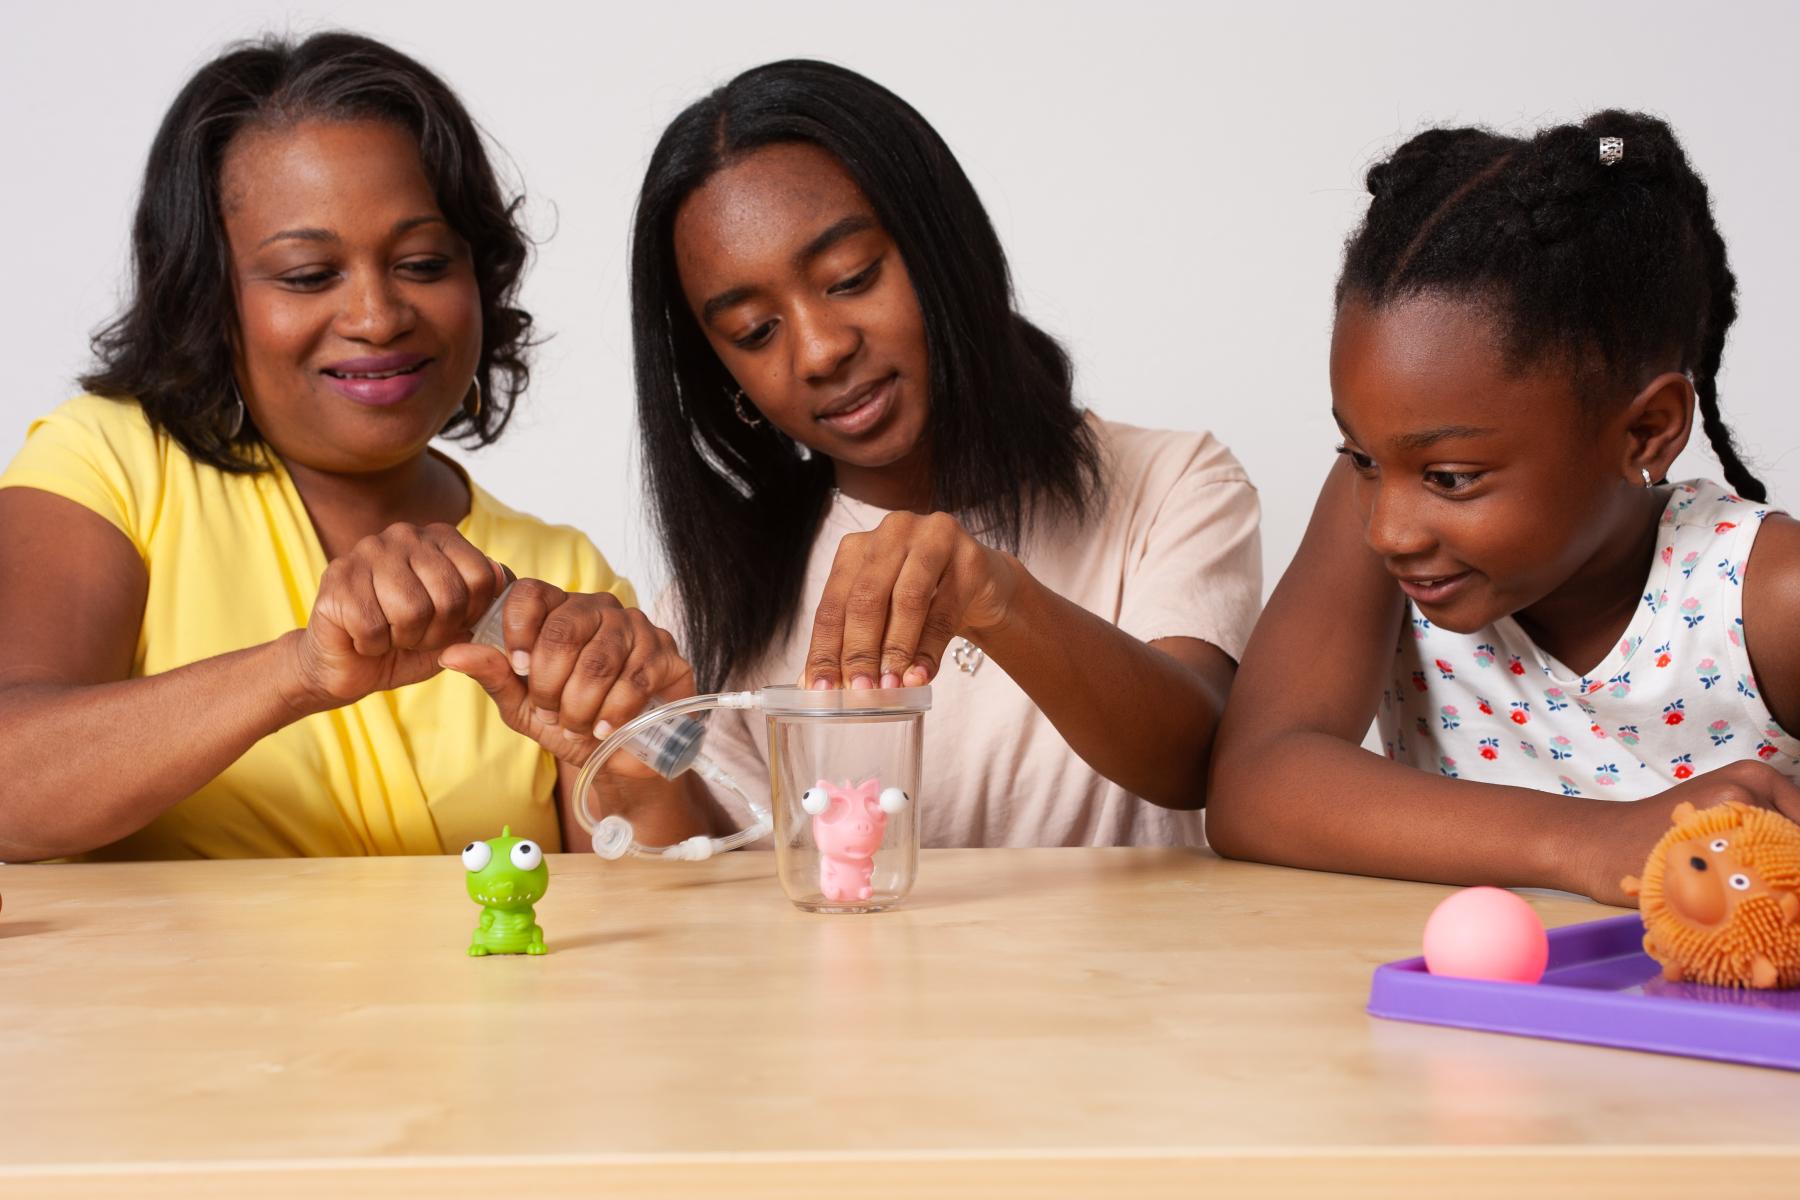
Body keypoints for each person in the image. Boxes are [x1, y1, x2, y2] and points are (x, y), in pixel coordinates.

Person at [0, 32, 693, 862]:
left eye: (423, 262)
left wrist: (623, 770)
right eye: (307, 275)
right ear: (209, 293)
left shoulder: (559, 577)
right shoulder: (108, 465)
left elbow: (655, 929)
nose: (377, 316)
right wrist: (298, 670)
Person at [628, 60, 1261, 847]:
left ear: (942, 245)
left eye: (851, 277)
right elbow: (739, 907)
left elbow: (1198, 760)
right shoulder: (706, 612)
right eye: (756, 331)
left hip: (1140, 975)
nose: (821, 351)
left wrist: (998, 599)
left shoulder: (1172, 483)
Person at [1206, 112, 1800, 904]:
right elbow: (1257, 781)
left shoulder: (1766, 599)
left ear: (1646, 431)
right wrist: (1587, 842)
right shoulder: (1376, 512)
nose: (1388, 529)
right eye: (1363, 458)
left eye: (1451, 476)